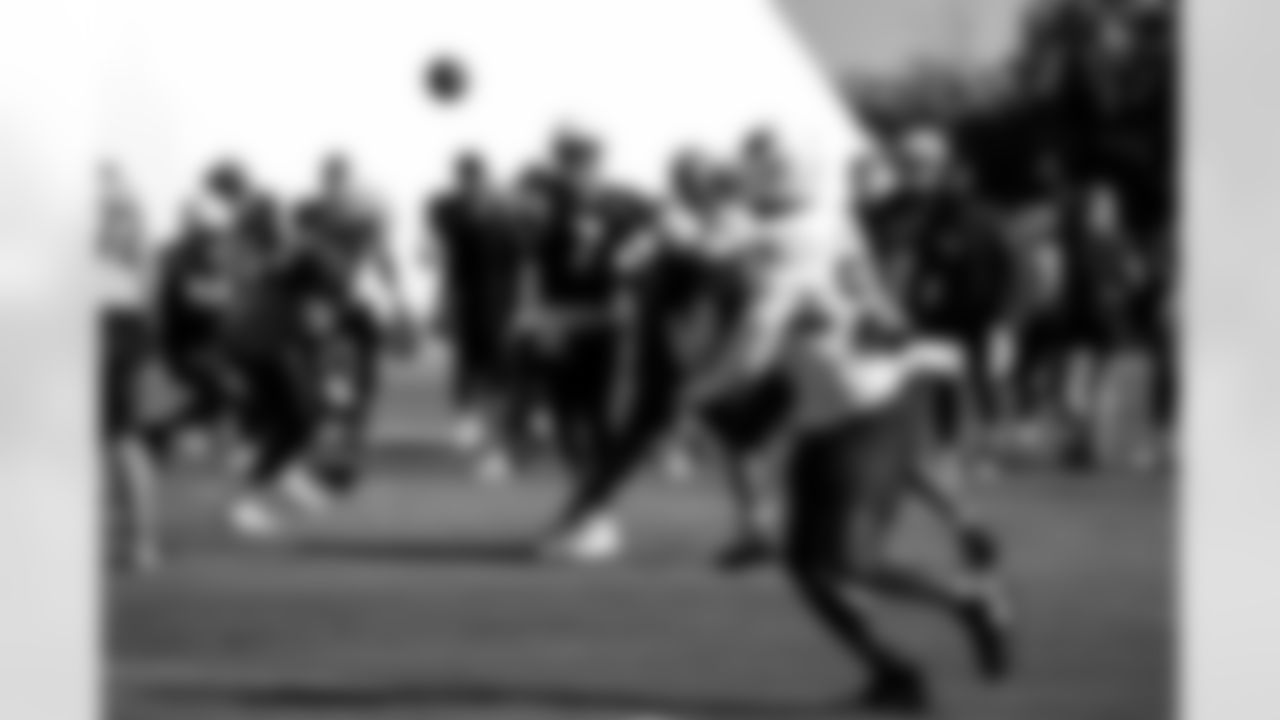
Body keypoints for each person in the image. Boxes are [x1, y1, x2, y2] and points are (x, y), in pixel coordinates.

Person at [680, 133, 1012, 712]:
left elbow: (754, 346)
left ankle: (970, 599)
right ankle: (894, 674)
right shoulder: (828, 220)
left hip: (862, 406)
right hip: (845, 400)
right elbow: (856, 297)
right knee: (807, 564)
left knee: (848, 559)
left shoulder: (784, 245)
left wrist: (695, 392)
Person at [295, 153, 409, 493]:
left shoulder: (363, 214)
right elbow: (302, 258)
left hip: (357, 305)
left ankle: (346, 453)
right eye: (331, 177)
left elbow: (383, 255)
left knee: (362, 385)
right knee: (328, 385)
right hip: (325, 306)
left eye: (339, 177)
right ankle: (329, 453)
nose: (335, 184)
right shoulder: (311, 213)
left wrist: (399, 301)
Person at [98, 162, 161, 573]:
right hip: (121, 329)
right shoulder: (128, 211)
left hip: (111, 329)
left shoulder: (114, 212)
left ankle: (138, 543)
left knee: (121, 440)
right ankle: (136, 543)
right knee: (120, 440)